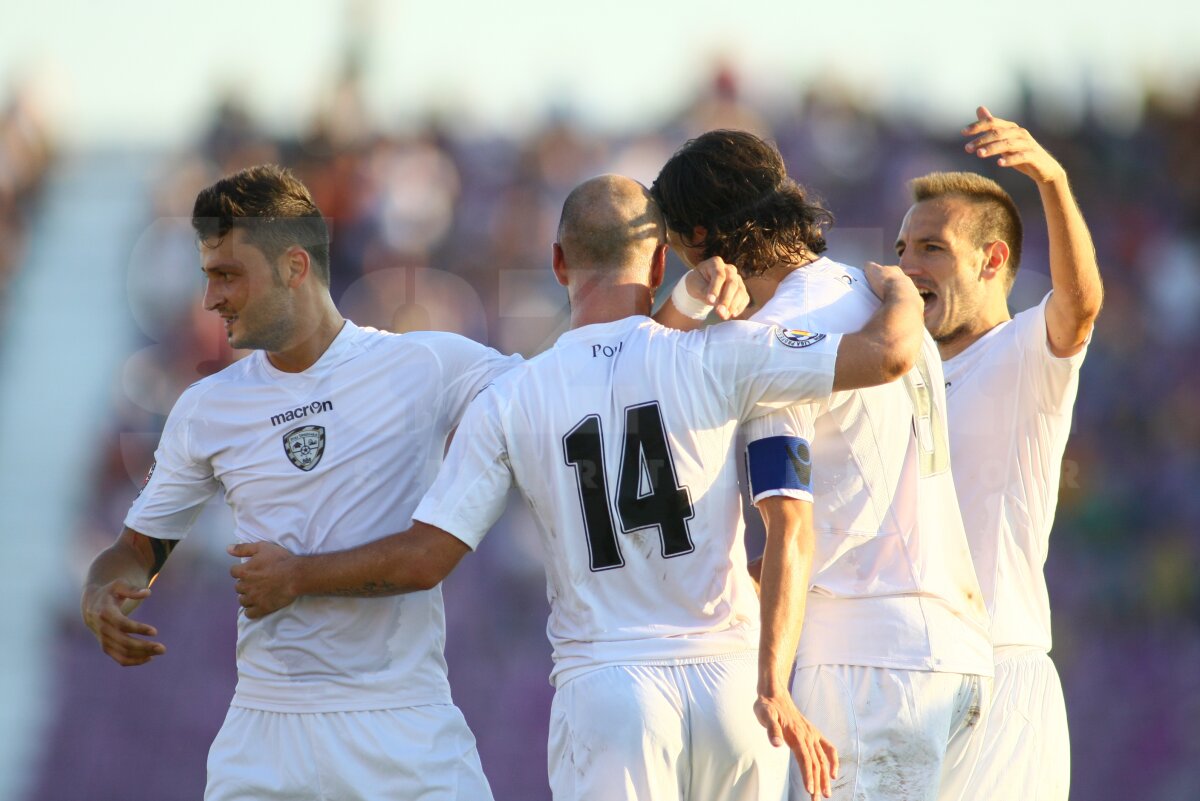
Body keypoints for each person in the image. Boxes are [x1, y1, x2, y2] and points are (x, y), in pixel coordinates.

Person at [228, 173, 926, 801]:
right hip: (732, 689)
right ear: (660, 263)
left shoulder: (513, 396)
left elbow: (424, 557)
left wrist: (296, 574)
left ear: (559, 261)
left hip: (609, 691)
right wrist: (901, 290)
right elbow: (886, 355)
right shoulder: (722, 352)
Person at [79, 164, 525, 800]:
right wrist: (101, 593)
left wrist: (297, 576)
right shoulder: (206, 406)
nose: (210, 299)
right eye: (208, 276)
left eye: (227, 275)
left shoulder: (427, 364)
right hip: (265, 738)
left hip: (399, 725)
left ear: (294, 266)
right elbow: (135, 552)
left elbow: (549, 398)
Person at [652, 130, 994, 801]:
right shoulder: (879, 296)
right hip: (957, 655)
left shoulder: (773, 341)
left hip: (868, 662)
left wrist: (771, 684)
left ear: (699, 239)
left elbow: (794, 527)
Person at [894, 106, 1103, 800]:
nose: (907, 265)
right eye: (902, 247)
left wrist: (1051, 180)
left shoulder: (1023, 353)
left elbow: (1080, 304)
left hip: (999, 670)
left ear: (992, 260)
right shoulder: (901, 378)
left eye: (931, 248)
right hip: (910, 672)